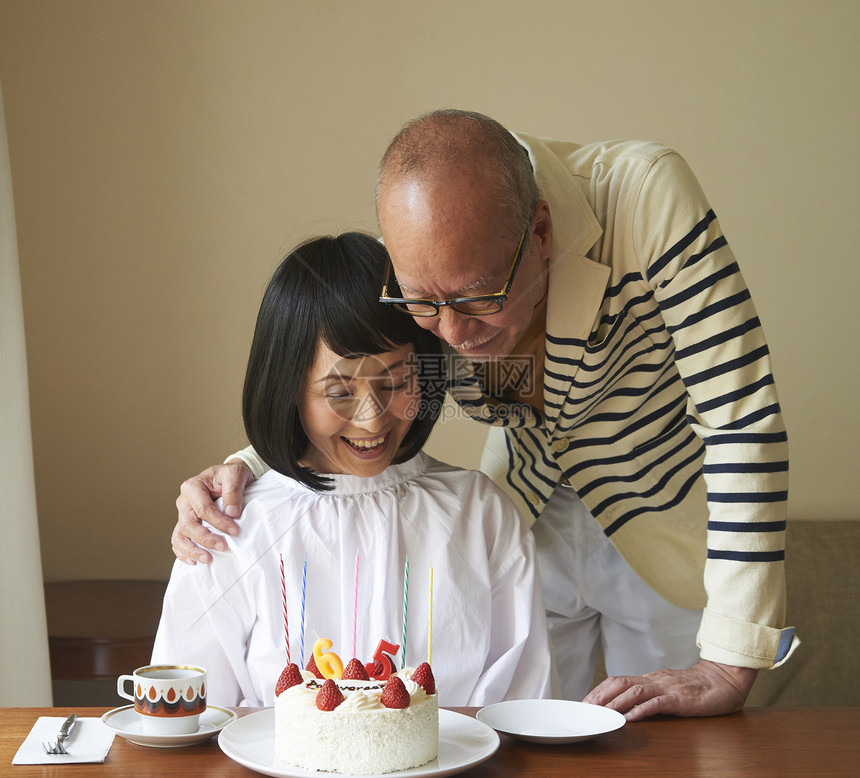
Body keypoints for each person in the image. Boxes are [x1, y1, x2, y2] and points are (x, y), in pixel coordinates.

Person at [171, 111, 798, 720]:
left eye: (478, 296)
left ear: (543, 231)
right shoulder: (421, 272)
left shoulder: (644, 197)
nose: (452, 333)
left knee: (668, 754)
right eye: (423, 304)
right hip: (524, 515)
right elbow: (350, 370)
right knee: (538, 743)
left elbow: (740, 417)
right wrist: (247, 466)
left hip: (658, 516)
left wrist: (728, 662)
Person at [152, 232, 555, 707]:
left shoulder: (479, 514)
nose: (373, 419)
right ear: (288, 389)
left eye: (397, 381)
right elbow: (187, 719)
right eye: (339, 392)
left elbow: (523, 710)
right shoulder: (226, 529)